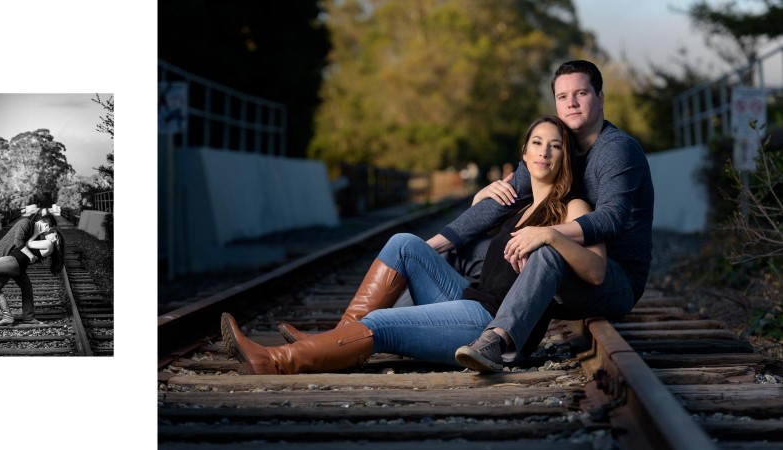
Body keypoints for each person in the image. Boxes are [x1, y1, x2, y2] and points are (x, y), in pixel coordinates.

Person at [220, 115, 608, 375]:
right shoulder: (514, 205)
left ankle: (274, 361)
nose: (544, 151)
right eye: (536, 143)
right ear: (523, 154)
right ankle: (337, 336)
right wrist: (479, 202)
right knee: (403, 242)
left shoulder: (572, 206)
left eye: (554, 145)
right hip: (467, 298)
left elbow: (595, 270)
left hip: (487, 324)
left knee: (379, 325)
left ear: (564, 158)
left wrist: (552, 234)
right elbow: (472, 253)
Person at [450, 60, 654, 372]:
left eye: (581, 93)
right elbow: (506, 200)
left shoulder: (616, 149)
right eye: (562, 96)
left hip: (613, 278)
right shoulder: (554, 144)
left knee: (547, 252)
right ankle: (436, 316)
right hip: (566, 270)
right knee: (470, 250)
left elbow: (611, 218)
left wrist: (548, 233)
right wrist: (442, 240)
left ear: (600, 98)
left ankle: (497, 342)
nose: (571, 103)